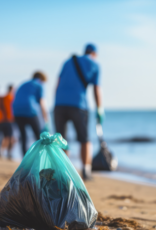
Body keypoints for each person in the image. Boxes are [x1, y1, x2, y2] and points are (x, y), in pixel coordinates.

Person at [54, 43, 104, 180]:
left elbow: (57, 84)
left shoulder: (68, 61)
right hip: (79, 105)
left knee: (61, 140)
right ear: (94, 54)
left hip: (59, 104)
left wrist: (56, 103)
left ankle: (64, 171)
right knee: (85, 139)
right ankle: (86, 172)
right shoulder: (95, 65)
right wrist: (100, 109)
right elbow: (96, 90)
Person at [13, 71, 49, 156]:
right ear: (41, 79)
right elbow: (42, 102)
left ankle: (24, 158)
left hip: (16, 110)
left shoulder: (24, 84)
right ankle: (40, 156)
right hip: (29, 109)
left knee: (23, 136)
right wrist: (46, 117)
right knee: (38, 135)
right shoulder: (39, 85)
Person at [0, 85, 14, 159]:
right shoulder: (10, 97)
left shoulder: (3, 98)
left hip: (1, 120)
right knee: (9, 137)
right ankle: (7, 152)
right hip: (8, 120)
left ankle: (2, 151)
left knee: (5, 137)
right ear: (12, 89)